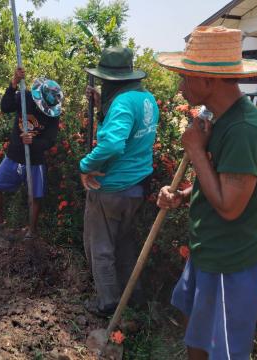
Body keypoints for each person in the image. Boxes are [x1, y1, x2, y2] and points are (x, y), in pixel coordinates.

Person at [155, 26, 257, 360]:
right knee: (196, 340)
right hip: (207, 254)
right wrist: (185, 195)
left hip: (228, 265)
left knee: (222, 352)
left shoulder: (243, 130)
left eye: (186, 77)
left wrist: (197, 152)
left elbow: (231, 207)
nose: (180, 85)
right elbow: (217, 183)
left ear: (208, 80)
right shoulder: (218, 119)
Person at [80, 47, 159, 317]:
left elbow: (113, 143)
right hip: (137, 187)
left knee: (99, 246)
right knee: (124, 243)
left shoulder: (123, 103)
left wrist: (86, 166)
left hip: (112, 188)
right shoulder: (147, 99)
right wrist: (103, 103)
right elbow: (130, 127)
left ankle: (108, 303)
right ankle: (132, 295)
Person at [0, 67, 63, 239]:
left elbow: (50, 141)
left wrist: (34, 142)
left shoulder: (53, 114)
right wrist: (13, 83)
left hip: (36, 160)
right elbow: (5, 107)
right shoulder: (26, 97)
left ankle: (32, 230)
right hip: (14, 155)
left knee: (36, 196)